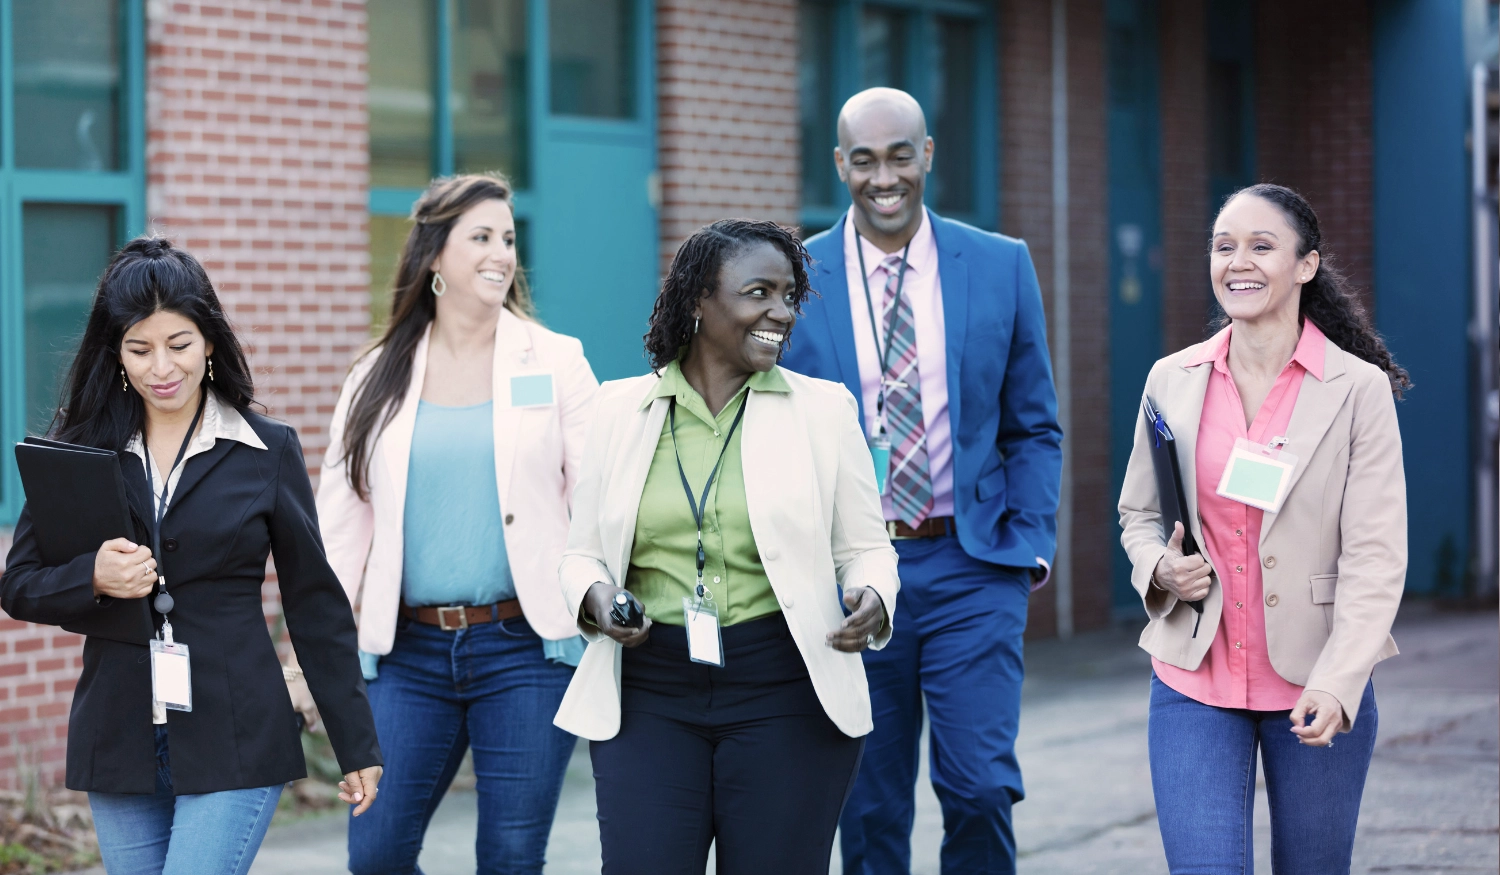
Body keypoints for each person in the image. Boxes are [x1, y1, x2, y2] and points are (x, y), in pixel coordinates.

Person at [0, 237, 382, 875]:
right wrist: (91, 576)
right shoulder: (81, 447)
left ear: (209, 341)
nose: (161, 368)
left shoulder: (268, 449)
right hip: (117, 735)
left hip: (236, 731)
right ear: (116, 353)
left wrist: (355, 741)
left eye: (177, 344)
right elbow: (19, 584)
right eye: (139, 349)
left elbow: (315, 603)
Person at [554, 218, 899, 875]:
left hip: (786, 688)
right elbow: (581, 555)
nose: (781, 311)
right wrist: (598, 598)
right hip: (649, 692)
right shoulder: (617, 410)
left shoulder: (824, 411)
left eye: (790, 294)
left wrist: (874, 595)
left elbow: (866, 546)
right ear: (699, 302)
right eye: (759, 292)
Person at [778, 87, 1062, 874]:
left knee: (978, 786)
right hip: (853, 576)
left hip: (972, 564)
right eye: (863, 160)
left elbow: (1033, 423)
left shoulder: (1002, 265)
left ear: (927, 153)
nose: (884, 177)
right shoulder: (794, 276)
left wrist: (1029, 543)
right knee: (867, 805)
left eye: (900, 155)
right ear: (840, 165)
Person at [1118, 183, 1409, 874]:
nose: (1237, 261)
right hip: (1194, 678)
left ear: (1306, 265)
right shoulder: (1171, 379)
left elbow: (1375, 552)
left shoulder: (1356, 388)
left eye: (1261, 245)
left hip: (1316, 680)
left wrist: (1340, 680)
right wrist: (1159, 567)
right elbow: (1139, 515)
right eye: (1224, 246)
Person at [313, 173, 598, 875]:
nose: (501, 252)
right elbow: (341, 525)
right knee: (375, 853)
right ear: (435, 255)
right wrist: (312, 652)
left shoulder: (556, 360)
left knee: (508, 856)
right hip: (407, 651)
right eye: (481, 237)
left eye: (507, 238)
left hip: (526, 650)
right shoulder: (376, 374)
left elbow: (600, 496)